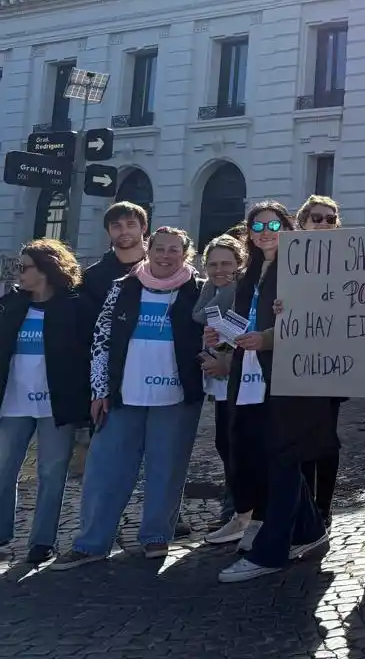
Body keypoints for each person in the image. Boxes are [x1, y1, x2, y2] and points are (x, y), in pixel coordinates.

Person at [51, 227, 207, 569]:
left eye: (174, 250)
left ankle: (156, 537)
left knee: (167, 470)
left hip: (177, 397)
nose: (167, 256)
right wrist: (99, 389)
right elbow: (102, 340)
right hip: (123, 395)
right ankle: (92, 543)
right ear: (148, 250)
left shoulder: (198, 291)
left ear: (186, 255)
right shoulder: (123, 287)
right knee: (106, 470)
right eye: (160, 249)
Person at [217, 203, 334, 582]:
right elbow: (244, 316)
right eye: (257, 226)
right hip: (250, 375)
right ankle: (310, 531)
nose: (265, 231)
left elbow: (316, 320)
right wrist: (222, 336)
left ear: (288, 227)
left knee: (283, 457)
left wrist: (266, 339)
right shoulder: (252, 271)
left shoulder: (303, 266)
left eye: (273, 224)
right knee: (268, 453)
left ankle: (273, 549)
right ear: (248, 233)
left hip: (287, 377)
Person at [0, 240, 93, 565]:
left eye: (24, 267)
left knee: (51, 473)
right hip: (12, 402)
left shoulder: (74, 307)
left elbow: (85, 358)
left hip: (57, 405)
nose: (18, 273)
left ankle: (42, 541)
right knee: (3, 468)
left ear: (45, 270)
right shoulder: (9, 304)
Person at [194, 235, 248, 543]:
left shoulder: (237, 291)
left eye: (226, 263)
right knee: (224, 444)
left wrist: (226, 361)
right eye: (213, 264)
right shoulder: (209, 290)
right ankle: (234, 510)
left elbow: (241, 333)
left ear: (238, 264)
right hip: (220, 381)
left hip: (239, 379)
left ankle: (236, 512)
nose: (219, 270)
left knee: (235, 445)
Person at [295, 195, 343, 530]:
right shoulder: (287, 257)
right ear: (303, 222)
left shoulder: (347, 258)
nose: (323, 223)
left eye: (330, 219)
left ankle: (322, 508)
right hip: (293, 363)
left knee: (326, 438)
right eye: (317, 218)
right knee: (297, 438)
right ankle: (302, 505)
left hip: (333, 364)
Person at [81, 202, 148, 310]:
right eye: (116, 226)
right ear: (108, 231)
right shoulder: (93, 276)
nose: (124, 231)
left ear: (143, 228)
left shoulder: (161, 269)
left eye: (130, 224)